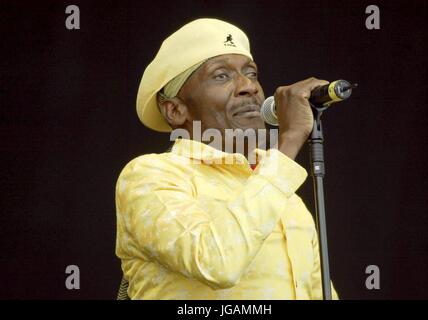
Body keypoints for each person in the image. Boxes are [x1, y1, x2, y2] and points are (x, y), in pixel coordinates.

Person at [115, 18, 339, 300]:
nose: (249, 87)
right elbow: (216, 263)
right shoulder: (149, 175)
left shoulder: (279, 191)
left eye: (252, 73)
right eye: (221, 76)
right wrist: (290, 138)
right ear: (175, 110)